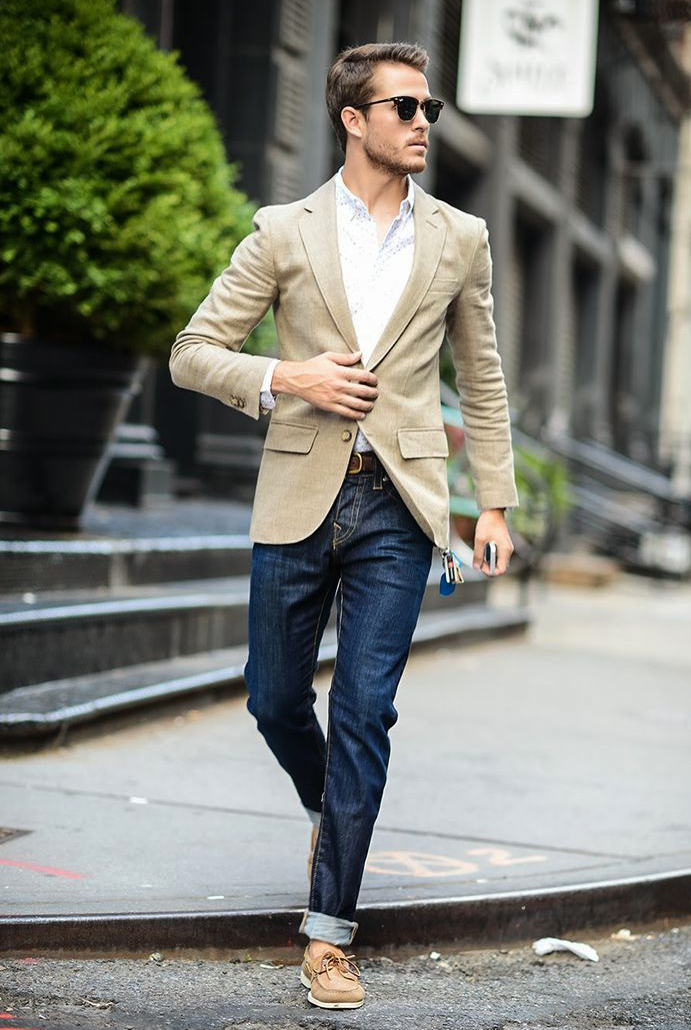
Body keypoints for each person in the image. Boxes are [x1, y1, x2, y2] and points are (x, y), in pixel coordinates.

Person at [169, 40, 518, 1010]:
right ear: (351, 118)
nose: (421, 123)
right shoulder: (283, 231)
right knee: (275, 700)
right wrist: (289, 376)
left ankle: (329, 937)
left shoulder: (459, 237)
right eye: (402, 106)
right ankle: (333, 808)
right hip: (298, 491)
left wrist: (492, 501)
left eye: (429, 108)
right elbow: (193, 352)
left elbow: (480, 378)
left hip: (399, 507)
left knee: (365, 714)